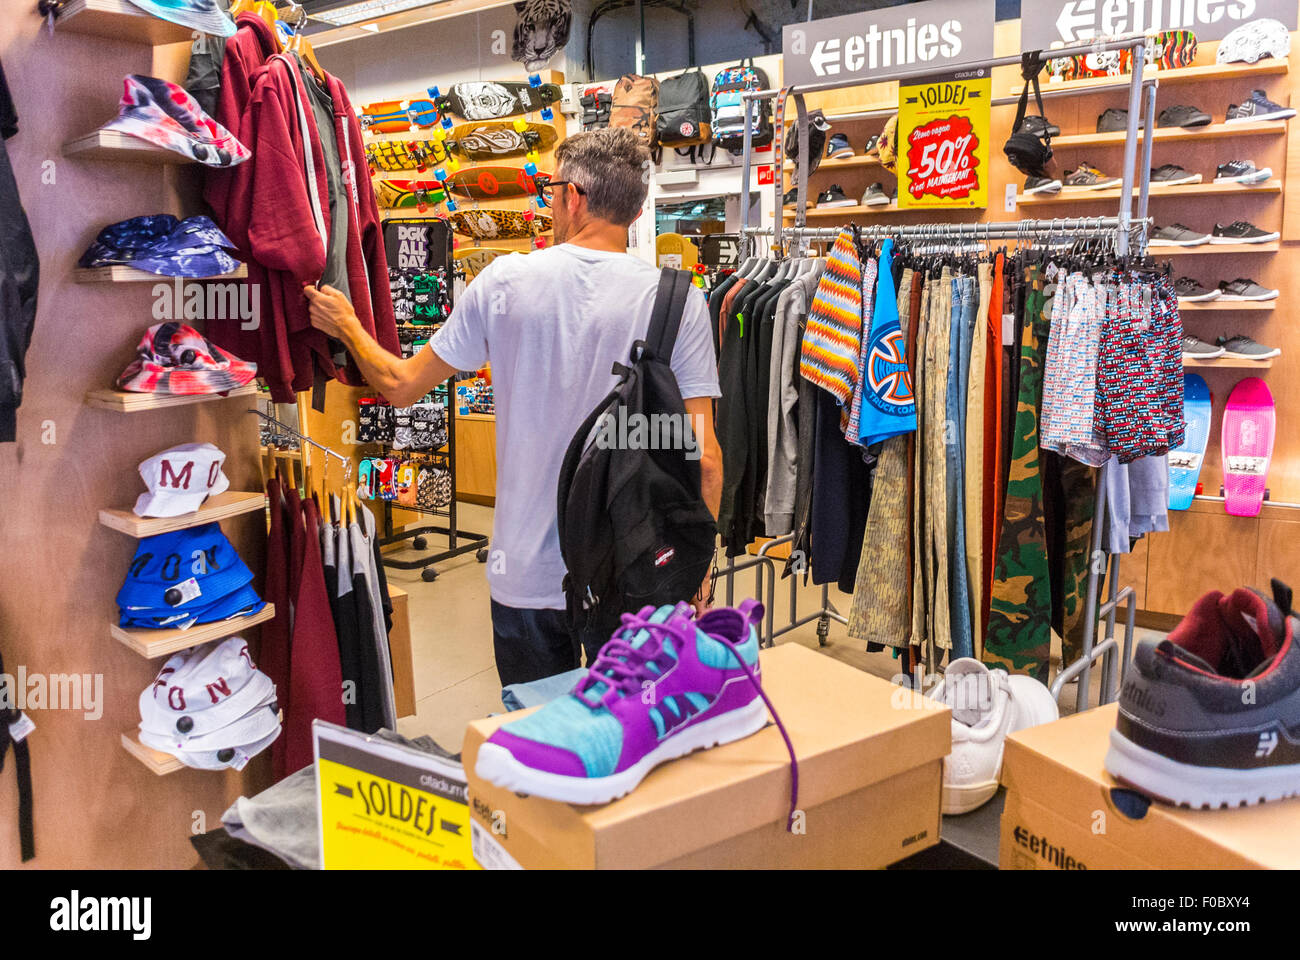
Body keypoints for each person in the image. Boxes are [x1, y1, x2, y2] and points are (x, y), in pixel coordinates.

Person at [304, 127, 722, 687]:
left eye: (551, 191)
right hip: (634, 569)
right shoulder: (679, 298)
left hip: (524, 572)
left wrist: (348, 326)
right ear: (639, 208)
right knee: (632, 748)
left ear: (573, 196)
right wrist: (696, 571)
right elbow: (706, 459)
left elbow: (400, 385)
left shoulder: (505, 281)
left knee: (537, 744)